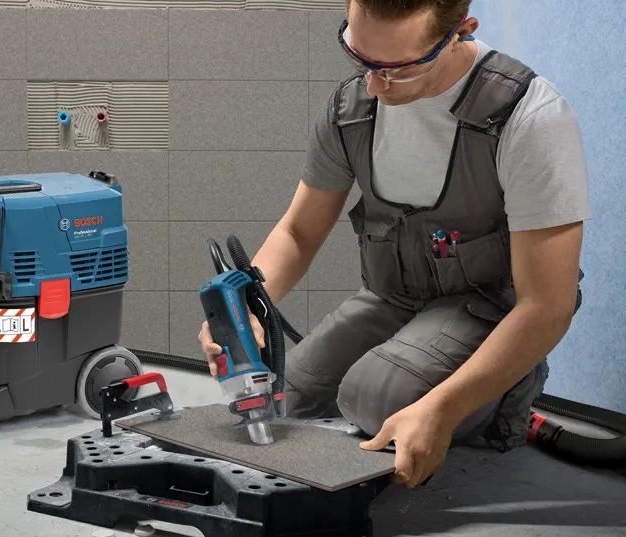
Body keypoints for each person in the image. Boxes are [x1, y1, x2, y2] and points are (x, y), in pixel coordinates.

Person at [198, 0, 591, 489]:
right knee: (284, 394)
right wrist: (247, 312)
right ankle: (417, 373)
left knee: (374, 399)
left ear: (462, 32)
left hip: (491, 307)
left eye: (397, 69)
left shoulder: (528, 117)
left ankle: (504, 405)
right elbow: (299, 232)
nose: (372, 85)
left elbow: (547, 305)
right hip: (396, 298)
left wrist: (441, 410)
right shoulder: (350, 110)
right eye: (358, 57)